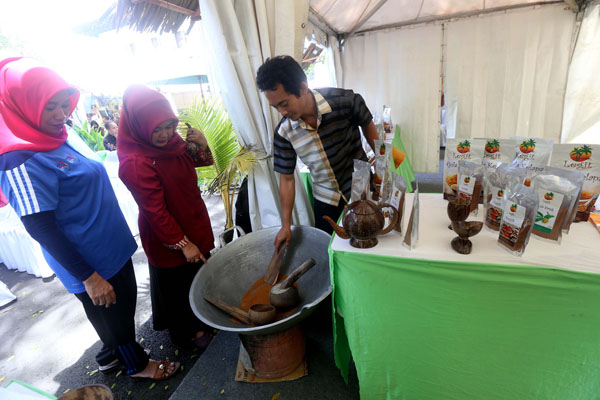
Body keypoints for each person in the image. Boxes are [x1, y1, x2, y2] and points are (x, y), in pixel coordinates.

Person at [0, 57, 179, 381]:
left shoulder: (57, 134)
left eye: (63, 104)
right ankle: (135, 365)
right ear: (24, 105)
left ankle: (109, 356)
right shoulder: (19, 158)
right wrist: (89, 277)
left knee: (116, 312)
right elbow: (39, 226)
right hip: (90, 261)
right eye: (49, 107)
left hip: (109, 247)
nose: (60, 114)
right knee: (117, 320)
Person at [117, 85, 216, 349]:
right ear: (140, 125)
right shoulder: (136, 162)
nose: (165, 135)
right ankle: (188, 333)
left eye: (169, 126)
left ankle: (205, 318)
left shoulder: (174, 144)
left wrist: (203, 143)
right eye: (157, 129)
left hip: (192, 217)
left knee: (199, 275)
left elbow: (201, 161)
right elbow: (155, 211)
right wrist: (184, 244)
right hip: (168, 231)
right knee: (179, 285)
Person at [256, 55, 379, 252]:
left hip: (361, 188)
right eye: (275, 106)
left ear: (303, 88)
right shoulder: (283, 133)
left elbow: (370, 130)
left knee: (370, 244)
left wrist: (383, 168)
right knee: (330, 252)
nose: (282, 112)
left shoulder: (346, 101)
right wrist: (285, 225)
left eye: (284, 103)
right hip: (325, 201)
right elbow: (286, 179)